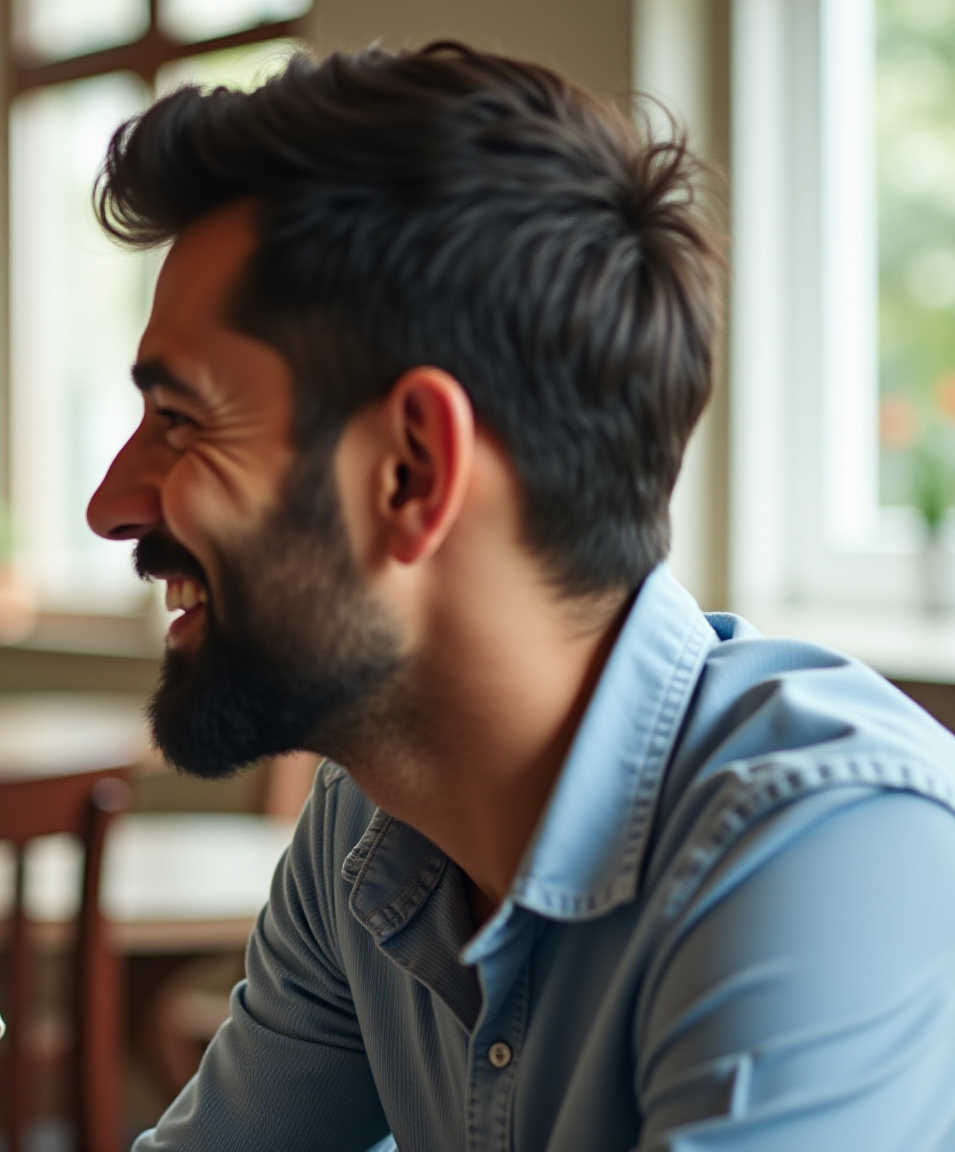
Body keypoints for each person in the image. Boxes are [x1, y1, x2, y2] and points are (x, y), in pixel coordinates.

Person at [85, 42, 955, 1151]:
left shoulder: (824, 852)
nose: (110, 504)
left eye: (180, 422)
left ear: (411, 471)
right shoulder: (366, 828)